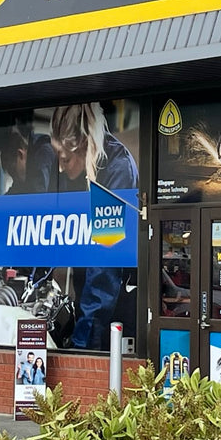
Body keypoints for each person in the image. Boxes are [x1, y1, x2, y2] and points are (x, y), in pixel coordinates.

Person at [49, 103, 138, 350]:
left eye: (65, 159)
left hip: (113, 315)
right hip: (89, 305)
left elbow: (105, 264)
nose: (60, 166)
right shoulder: (78, 174)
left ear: (84, 146)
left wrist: (83, 338)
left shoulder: (117, 170)